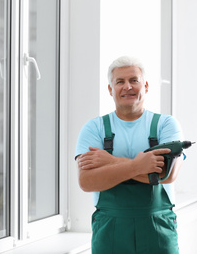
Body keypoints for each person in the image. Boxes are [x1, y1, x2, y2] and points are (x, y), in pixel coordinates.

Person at [75, 56, 184, 254]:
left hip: (157, 229)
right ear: (110, 89)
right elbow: (87, 181)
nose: (127, 87)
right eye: (120, 82)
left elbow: (167, 176)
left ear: (146, 86)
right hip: (110, 230)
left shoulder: (166, 125)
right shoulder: (94, 128)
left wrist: (111, 162)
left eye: (134, 80)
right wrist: (141, 166)